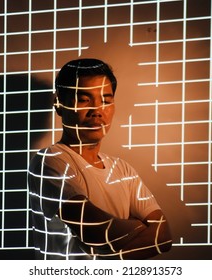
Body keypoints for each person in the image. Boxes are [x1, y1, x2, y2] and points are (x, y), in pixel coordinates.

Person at [28, 58, 172, 259]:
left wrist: (106, 259)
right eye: (84, 99)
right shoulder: (50, 161)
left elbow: (164, 238)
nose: (97, 111)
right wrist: (141, 227)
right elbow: (97, 232)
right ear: (58, 103)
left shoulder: (123, 170)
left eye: (106, 100)